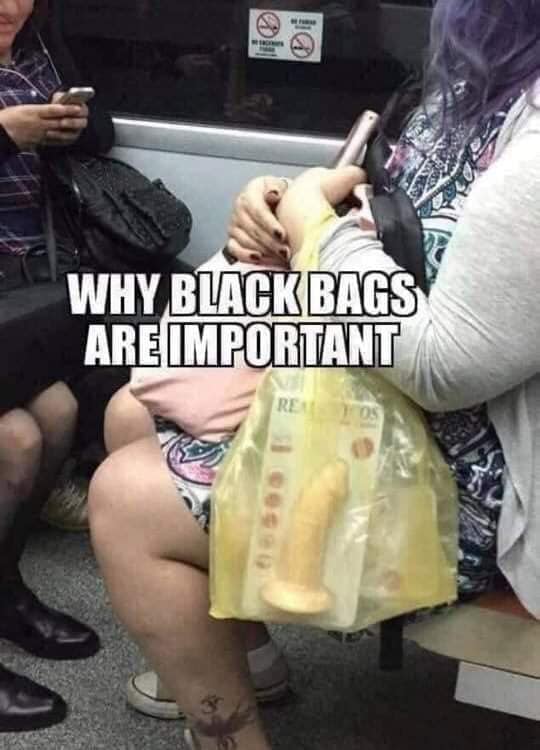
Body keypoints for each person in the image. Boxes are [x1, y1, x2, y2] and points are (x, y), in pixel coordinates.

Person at [89, 1, 539, 748]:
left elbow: (443, 367)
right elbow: (390, 208)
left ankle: (229, 735)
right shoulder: (474, 87)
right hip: (405, 395)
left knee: (125, 499)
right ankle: (247, 657)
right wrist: (285, 203)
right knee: (131, 412)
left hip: (485, 477)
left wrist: (315, 230)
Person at [0, 0, 113, 733]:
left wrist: (69, 126)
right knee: (15, 439)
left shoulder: (40, 46)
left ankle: (3, 587)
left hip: (21, 279)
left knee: (60, 412)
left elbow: (103, 135)